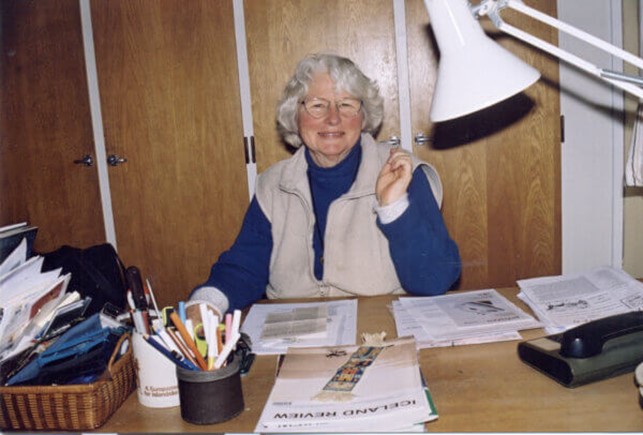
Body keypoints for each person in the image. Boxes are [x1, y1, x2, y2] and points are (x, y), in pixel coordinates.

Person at [190, 53, 461, 316]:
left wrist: (394, 207)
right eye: (317, 105)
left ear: (363, 117)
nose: (333, 118)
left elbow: (434, 280)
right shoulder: (274, 185)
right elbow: (245, 266)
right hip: (295, 334)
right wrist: (207, 304)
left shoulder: (402, 173)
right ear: (295, 116)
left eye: (346, 105)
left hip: (381, 329)